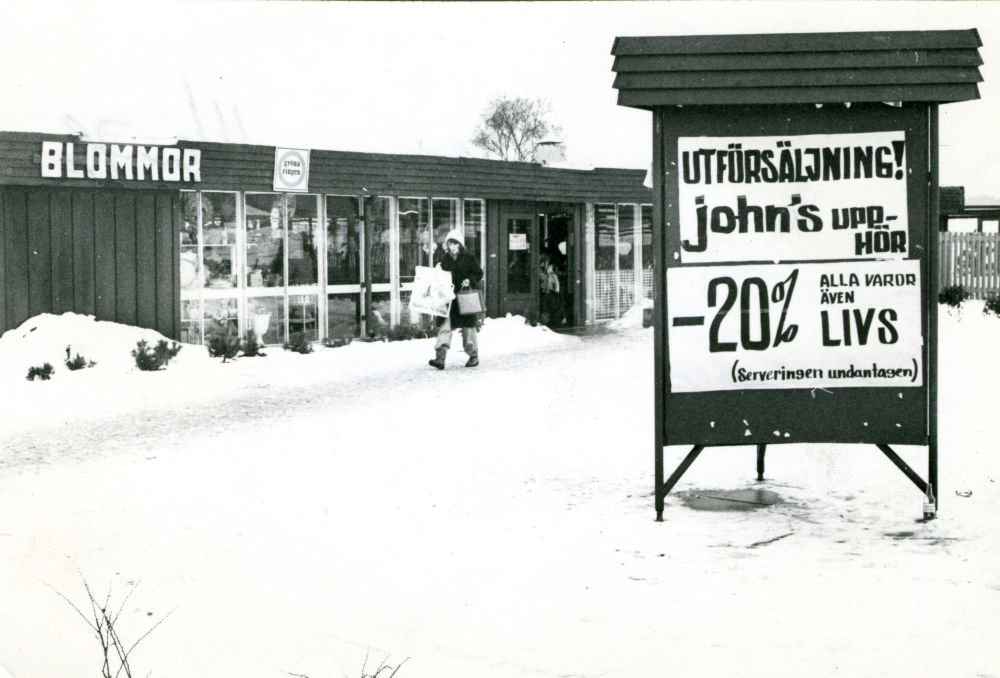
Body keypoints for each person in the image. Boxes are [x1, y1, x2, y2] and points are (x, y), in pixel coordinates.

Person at [429, 229, 483, 369]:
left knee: (468, 328)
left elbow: (479, 273)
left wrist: (469, 281)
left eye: (455, 244)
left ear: (460, 244)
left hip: (464, 297)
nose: (452, 247)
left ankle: (473, 356)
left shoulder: (469, 257)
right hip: (449, 299)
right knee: (445, 326)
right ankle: (440, 358)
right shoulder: (445, 258)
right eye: (450, 244)